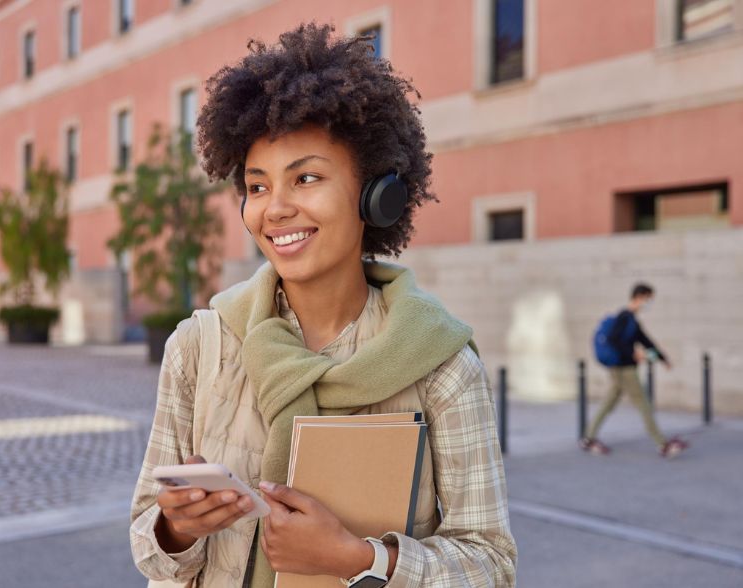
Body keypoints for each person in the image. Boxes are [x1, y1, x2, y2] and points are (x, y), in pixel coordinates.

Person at [130, 23, 516, 588]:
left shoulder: (444, 367)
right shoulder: (198, 346)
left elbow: (492, 566)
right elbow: (148, 542)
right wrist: (176, 529)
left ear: (375, 196)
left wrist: (363, 561)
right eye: (257, 187)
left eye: (305, 178)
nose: (275, 209)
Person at [581, 283, 689, 458]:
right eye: (649, 300)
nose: (649, 304)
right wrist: (633, 354)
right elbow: (614, 339)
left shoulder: (632, 320)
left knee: (609, 402)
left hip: (623, 367)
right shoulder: (624, 317)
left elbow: (646, 341)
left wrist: (663, 359)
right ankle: (662, 444)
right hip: (624, 368)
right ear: (640, 297)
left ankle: (588, 438)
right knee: (643, 404)